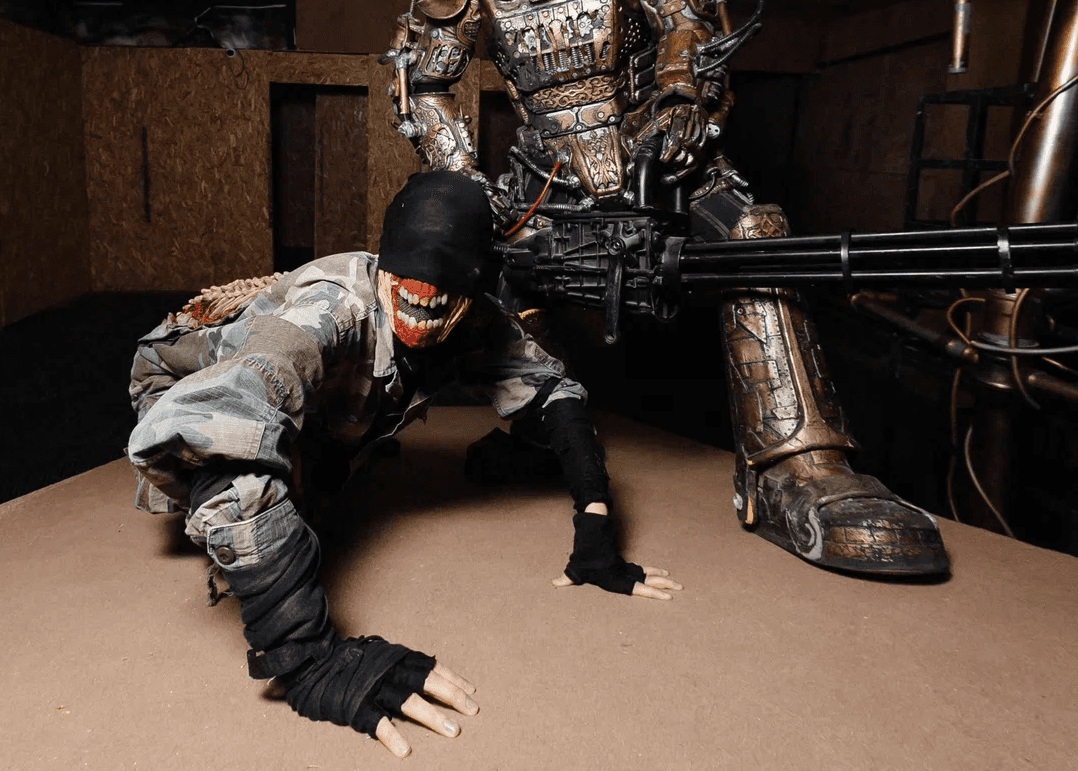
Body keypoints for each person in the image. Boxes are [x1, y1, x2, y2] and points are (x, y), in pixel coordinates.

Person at [383, 0, 948, 577]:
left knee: (756, 239)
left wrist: (681, 100)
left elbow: (688, 24)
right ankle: (544, 435)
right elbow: (424, 81)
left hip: (660, 157)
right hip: (545, 177)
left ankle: (797, 469)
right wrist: (465, 180)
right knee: (475, 260)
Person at [126, 171, 680, 757]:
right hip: (181, 383)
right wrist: (308, 658)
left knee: (333, 466)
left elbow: (553, 388)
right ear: (384, 268)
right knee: (251, 476)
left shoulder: (475, 316)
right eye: (409, 276)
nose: (425, 294)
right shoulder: (330, 312)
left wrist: (595, 523)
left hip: (324, 400)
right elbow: (212, 418)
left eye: (447, 284)